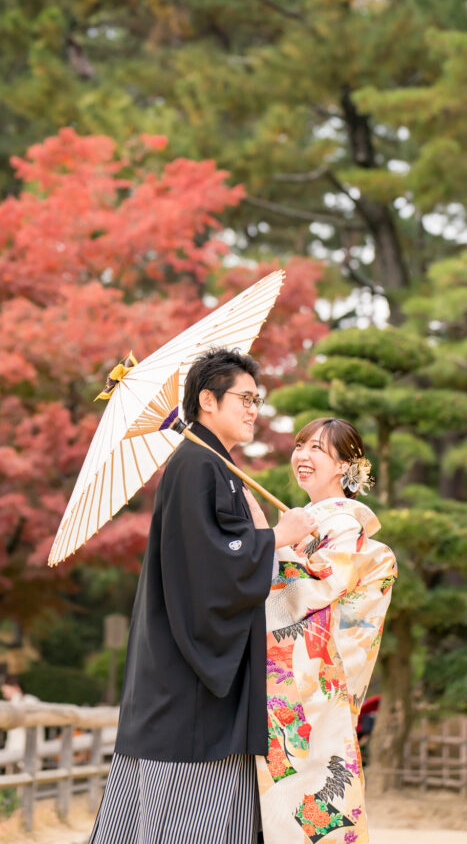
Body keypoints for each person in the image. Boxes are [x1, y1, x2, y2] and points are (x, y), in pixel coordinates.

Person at [89, 348, 316, 844]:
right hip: (186, 676)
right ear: (207, 401)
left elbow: (228, 551)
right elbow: (206, 561)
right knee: (188, 817)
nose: (254, 408)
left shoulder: (217, 466)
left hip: (200, 670)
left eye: (258, 399)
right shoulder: (195, 464)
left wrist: (269, 532)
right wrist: (275, 537)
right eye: (245, 398)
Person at [252, 418, 397, 844]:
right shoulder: (313, 520)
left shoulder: (343, 525)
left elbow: (311, 591)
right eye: (300, 445)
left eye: (317, 448)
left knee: (308, 781)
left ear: (345, 465)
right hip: (304, 675)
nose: (302, 455)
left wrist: (272, 540)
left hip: (312, 678)